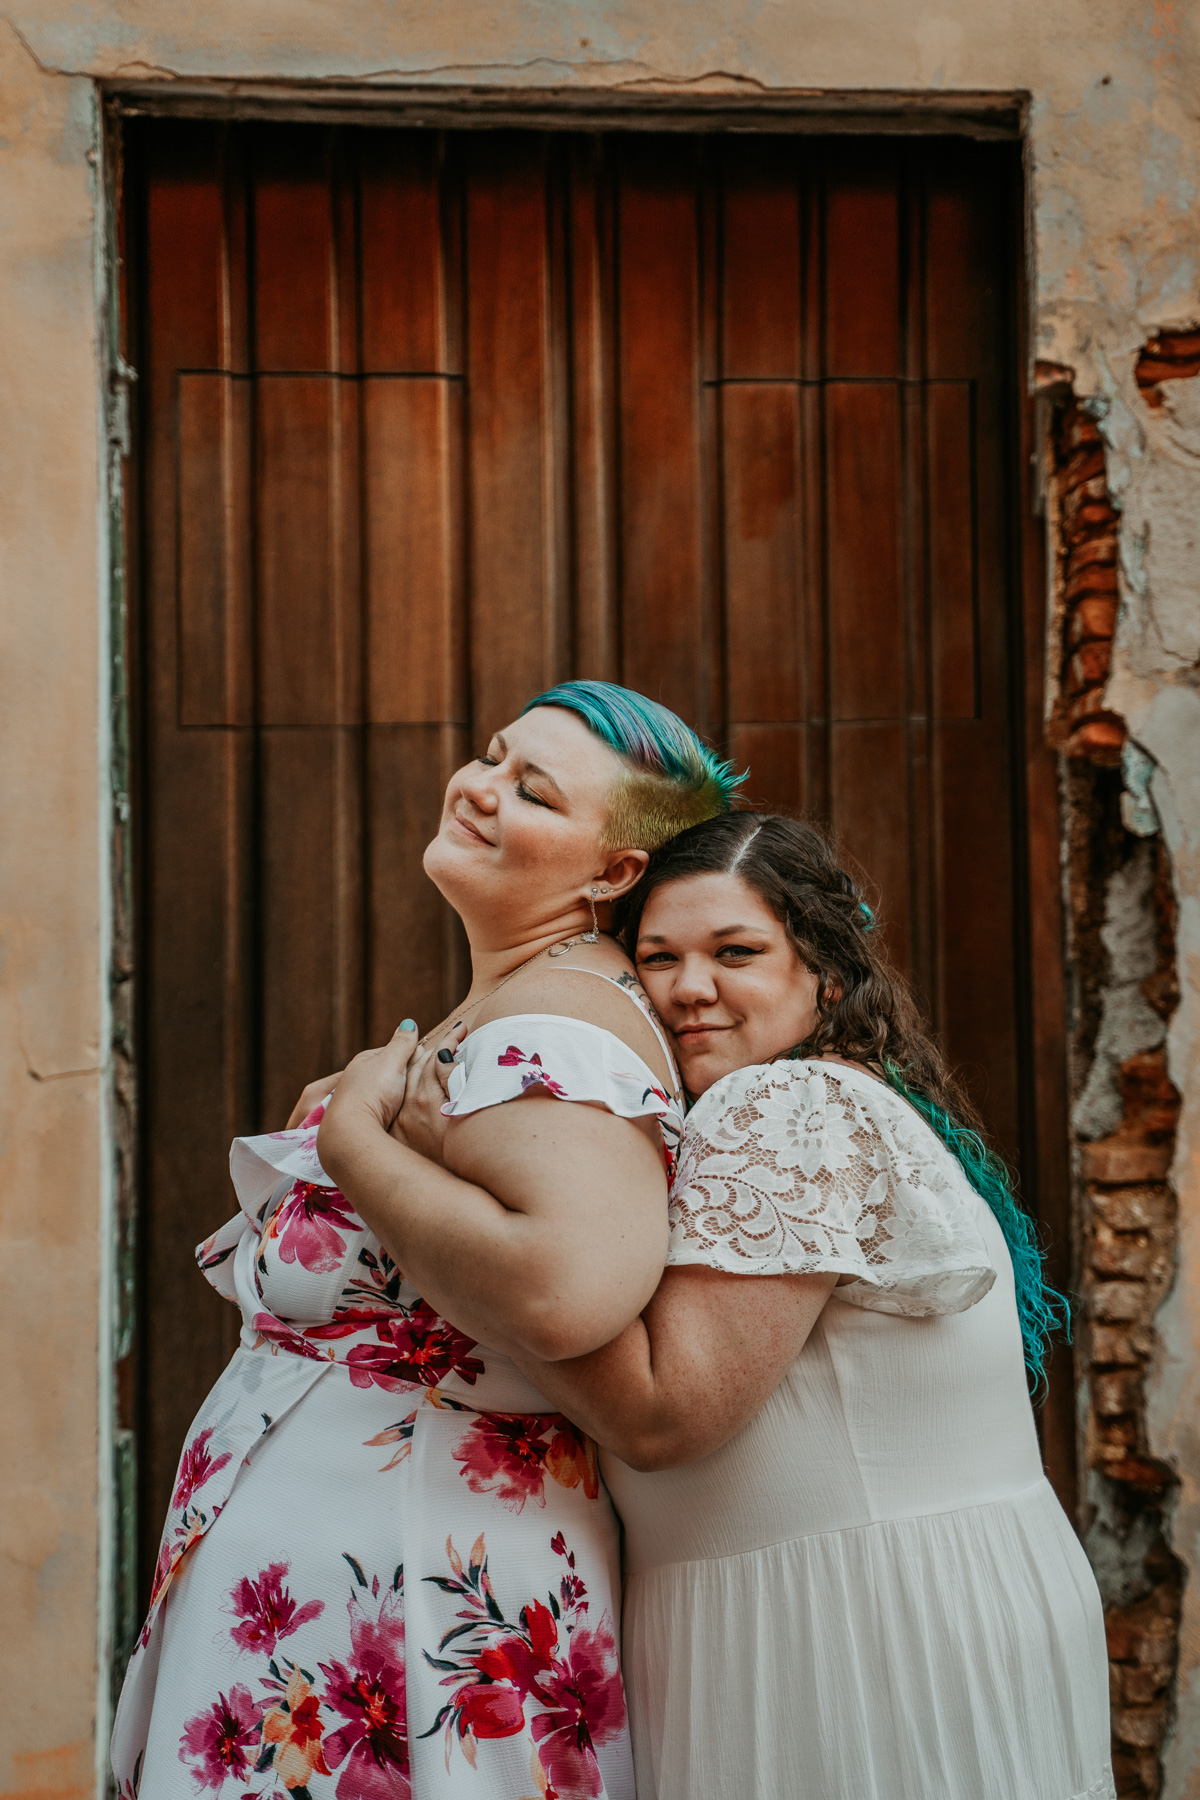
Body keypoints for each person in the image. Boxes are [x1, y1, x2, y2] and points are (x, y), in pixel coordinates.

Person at [396, 812, 1114, 1800]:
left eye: (736, 952)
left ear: (823, 974)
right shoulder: (854, 1094)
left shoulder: (783, 1109)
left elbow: (661, 1414)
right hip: (904, 1598)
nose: (691, 988)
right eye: (658, 958)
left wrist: (422, 1197)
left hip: (845, 1639)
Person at [110, 681, 741, 1800]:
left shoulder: (557, 1022)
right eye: (495, 758)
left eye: (534, 791)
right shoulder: (508, 1009)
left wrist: (355, 1145)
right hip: (359, 1581)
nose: (482, 789)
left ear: (613, 875)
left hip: (413, 1596)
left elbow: (566, 1291)